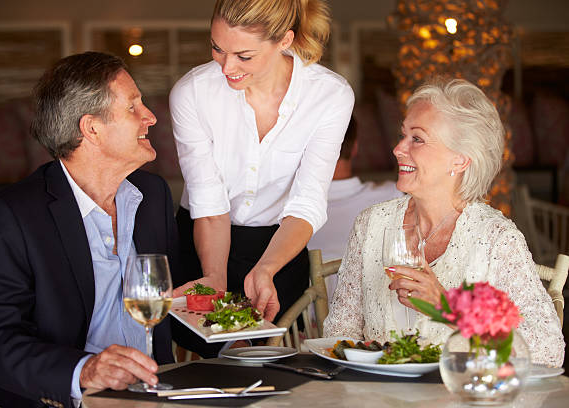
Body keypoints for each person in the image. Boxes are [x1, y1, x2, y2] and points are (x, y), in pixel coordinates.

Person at [0, 52, 184, 407]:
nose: (150, 117)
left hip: (154, 395)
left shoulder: (152, 195)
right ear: (91, 129)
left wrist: (225, 320)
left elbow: (170, 300)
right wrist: (86, 370)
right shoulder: (9, 214)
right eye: (133, 107)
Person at [323, 78, 565, 366]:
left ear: (460, 160)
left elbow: (549, 350)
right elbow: (338, 333)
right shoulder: (371, 224)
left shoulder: (496, 238)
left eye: (417, 138)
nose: (398, 149)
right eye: (403, 135)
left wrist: (447, 308)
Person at [169, 0, 354, 322]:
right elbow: (208, 200)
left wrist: (267, 268)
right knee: (204, 358)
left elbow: (307, 200)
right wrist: (214, 277)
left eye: (244, 56)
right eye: (217, 49)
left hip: (278, 244)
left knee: (269, 355)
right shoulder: (193, 93)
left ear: (284, 40)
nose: (226, 68)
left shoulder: (330, 96)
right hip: (204, 236)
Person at [308, 116, 403, 299]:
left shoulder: (284, 214)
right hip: (383, 319)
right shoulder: (394, 198)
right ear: (355, 147)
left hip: (311, 323)